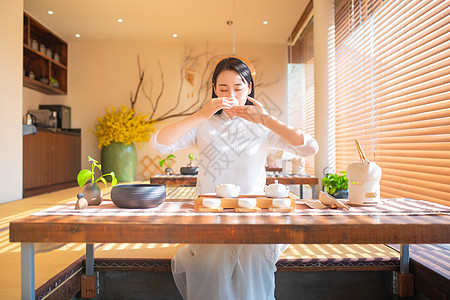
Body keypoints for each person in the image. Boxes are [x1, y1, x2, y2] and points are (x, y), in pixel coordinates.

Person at [150, 57, 318, 300]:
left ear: (249, 88)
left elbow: (310, 148)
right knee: (214, 259)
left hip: (255, 219)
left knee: (253, 258)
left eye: (238, 88)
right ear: (214, 90)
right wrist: (200, 114)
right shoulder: (205, 124)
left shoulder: (261, 126)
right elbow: (158, 144)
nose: (231, 95)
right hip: (210, 217)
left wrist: (266, 119)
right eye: (223, 89)